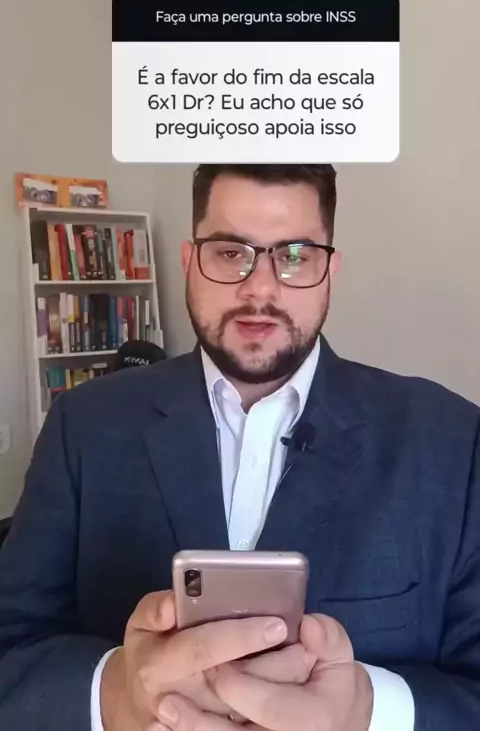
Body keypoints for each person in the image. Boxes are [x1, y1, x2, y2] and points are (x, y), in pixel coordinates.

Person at [0, 164, 479, 731]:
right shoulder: (84, 425)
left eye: (295, 255)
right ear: (189, 262)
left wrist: (366, 710)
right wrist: (116, 695)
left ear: (330, 272)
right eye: (230, 253)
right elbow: (12, 645)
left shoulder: (452, 440)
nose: (260, 288)